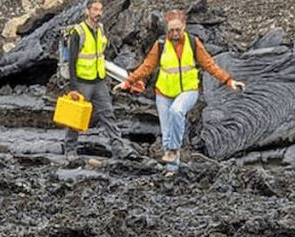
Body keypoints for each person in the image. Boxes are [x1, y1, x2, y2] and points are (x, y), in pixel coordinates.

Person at [120, 10, 246, 166]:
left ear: (184, 26)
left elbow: (209, 65)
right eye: (171, 30)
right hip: (163, 93)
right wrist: (128, 81)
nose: (174, 33)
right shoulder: (160, 45)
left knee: (177, 111)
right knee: (166, 135)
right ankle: (172, 170)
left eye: (177, 29)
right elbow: (147, 66)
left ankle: (173, 150)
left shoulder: (193, 43)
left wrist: (228, 80)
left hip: (188, 90)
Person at [62, 1, 133, 159]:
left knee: (108, 113)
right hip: (82, 81)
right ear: (88, 11)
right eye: (95, 9)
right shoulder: (78, 32)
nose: (98, 13)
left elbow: (101, 54)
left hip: (99, 80)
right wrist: (72, 87)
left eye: (100, 10)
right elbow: (72, 61)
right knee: (76, 116)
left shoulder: (101, 29)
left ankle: (118, 147)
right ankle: (70, 150)